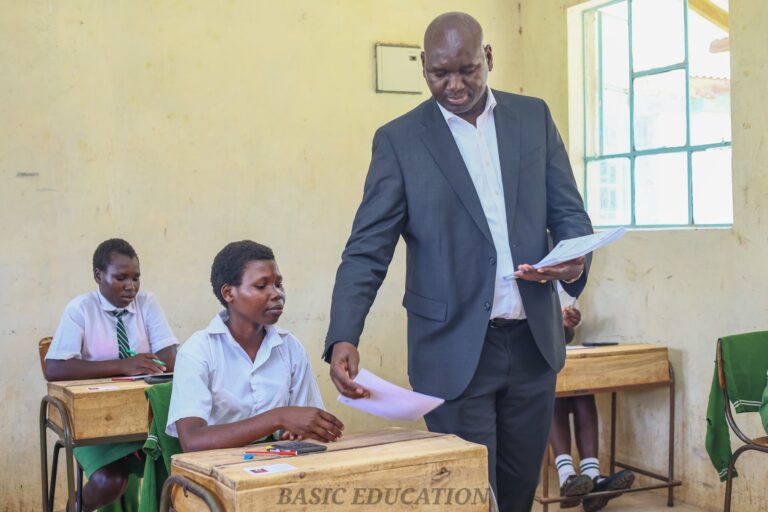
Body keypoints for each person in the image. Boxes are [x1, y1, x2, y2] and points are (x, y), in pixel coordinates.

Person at [323, 11, 593, 512]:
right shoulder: (400, 141)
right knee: (468, 495)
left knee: (516, 494)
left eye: (467, 70)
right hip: (453, 352)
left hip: (533, 346)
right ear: (423, 66)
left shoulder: (532, 118)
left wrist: (573, 264)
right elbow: (367, 248)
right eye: (439, 73)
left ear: (488, 58)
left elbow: (570, 215)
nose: (454, 85)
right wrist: (344, 333)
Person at [167, 240, 344, 452]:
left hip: (278, 466)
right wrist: (278, 418)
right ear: (228, 293)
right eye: (261, 286)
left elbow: (305, 424)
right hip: (215, 472)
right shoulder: (198, 352)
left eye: (278, 284)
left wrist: (300, 430)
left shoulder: (289, 347)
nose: (277, 294)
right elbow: (192, 441)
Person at [45, 238, 179, 511]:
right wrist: (122, 365)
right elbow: (55, 368)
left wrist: (139, 365)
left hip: (142, 414)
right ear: (98, 275)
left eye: (135, 278)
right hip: (93, 418)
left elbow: (170, 357)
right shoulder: (80, 309)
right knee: (110, 481)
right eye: (121, 278)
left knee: (177, 465)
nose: (131, 286)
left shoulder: (147, 303)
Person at [551, 286, 634, 511]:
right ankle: (566, 476)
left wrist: (566, 325)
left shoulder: (566, 285)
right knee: (556, 390)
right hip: (530, 364)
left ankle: (592, 478)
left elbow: (565, 337)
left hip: (558, 356)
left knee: (582, 391)